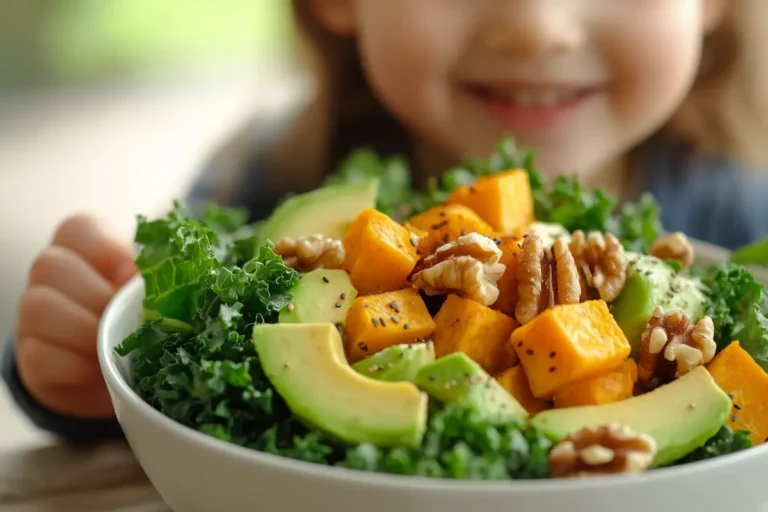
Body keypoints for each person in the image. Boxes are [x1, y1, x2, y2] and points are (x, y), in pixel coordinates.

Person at [5, 0, 768, 442]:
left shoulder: (748, 219)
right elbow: (173, 376)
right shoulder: (260, 179)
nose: (536, 26)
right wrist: (87, 360)